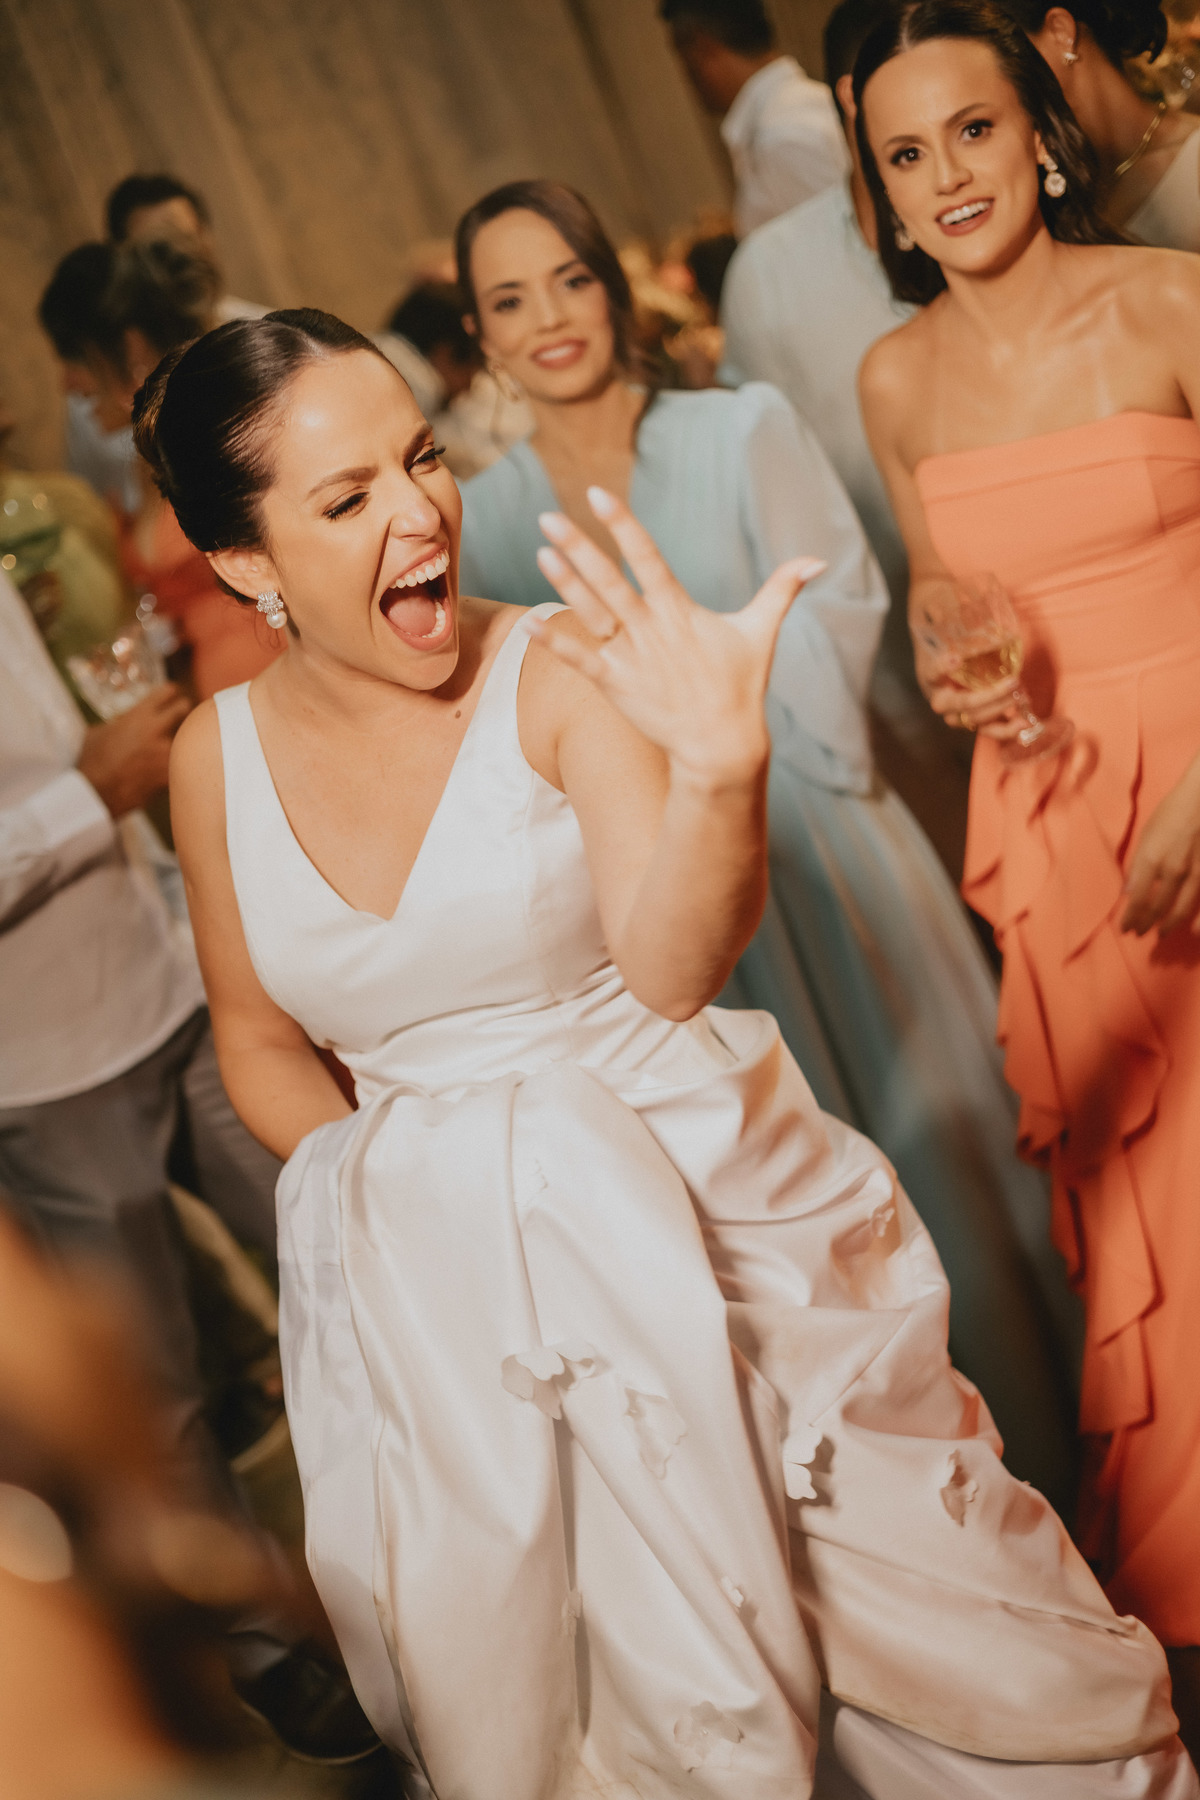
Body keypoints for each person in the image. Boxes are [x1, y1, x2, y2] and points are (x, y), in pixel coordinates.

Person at [154, 302, 1193, 1798]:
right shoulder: (213, 758)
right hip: (453, 1318)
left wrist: (720, 768)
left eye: (423, 459)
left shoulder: (560, 669)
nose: (420, 512)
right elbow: (257, 1042)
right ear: (245, 561)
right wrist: (418, 1211)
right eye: (347, 498)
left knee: (926, 1655)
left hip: (700, 1232)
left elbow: (670, 963)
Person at [454, 181, 1082, 1508]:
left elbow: (840, 605)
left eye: (570, 279)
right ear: (478, 334)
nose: (550, 317)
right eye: (510, 299)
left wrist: (718, 738)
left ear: (612, 288)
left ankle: (1062, 1450)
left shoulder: (741, 427)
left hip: (819, 838)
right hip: (662, 900)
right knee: (787, 1230)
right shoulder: (485, 520)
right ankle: (903, 1506)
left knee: (935, 1149)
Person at [854, 0, 1200, 1733]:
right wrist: (950, 658)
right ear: (882, 193)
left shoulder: (1174, 301)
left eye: (973, 130)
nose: (949, 176)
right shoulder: (892, 379)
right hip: (1061, 826)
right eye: (906, 154)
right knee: (1161, 1227)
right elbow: (943, 600)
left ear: (1041, 135)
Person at [0, 563, 375, 1766]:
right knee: (155, 1392)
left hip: (172, 984)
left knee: (359, 1255)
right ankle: (269, 1654)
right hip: (39, 1069)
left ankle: (441, 1543)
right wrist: (85, 795)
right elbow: (81, 780)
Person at [721, 0, 972, 877]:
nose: (952, 165)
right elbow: (758, 485)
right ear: (855, 101)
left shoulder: (1004, 226)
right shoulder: (770, 275)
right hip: (887, 665)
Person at [41, 238, 284, 699]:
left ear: (130, 346)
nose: (67, 384)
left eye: (75, 359)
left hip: (279, 680)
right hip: (219, 704)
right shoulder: (144, 456)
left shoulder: (224, 432)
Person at [998, 0, 1200, 246]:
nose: (998, 85)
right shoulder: (1059, 200)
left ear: (1061, 31)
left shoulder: (1191, 156)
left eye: (1007, 56)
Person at [660, 0, 850, 235]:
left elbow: (845, 244)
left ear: (701, 46)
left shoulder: (783, 138)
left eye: (682, 58)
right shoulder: (796, 109)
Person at [377, 279, 530, 480]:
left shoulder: (372, 351)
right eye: (474, 370)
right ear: (446, 353)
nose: (468, 388)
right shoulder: (416, 386)